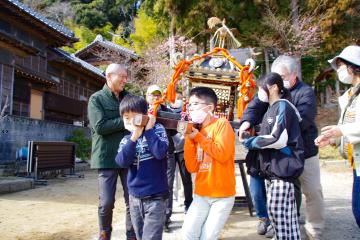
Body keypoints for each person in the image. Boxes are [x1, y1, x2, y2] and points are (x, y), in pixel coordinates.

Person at [239, 55, 325, 239]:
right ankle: (281, 224)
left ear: (294, 75)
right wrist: (246, 122)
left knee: (311, 190)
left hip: (304, 150)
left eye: (283, 76)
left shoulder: (304, 93)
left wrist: (262, 137)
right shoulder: (269, 92)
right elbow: (253, 108)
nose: (278, 81)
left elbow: (300, 120)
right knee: (284, 193)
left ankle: (314, 229)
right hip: (278, 154)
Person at [242, 72, 304, 240]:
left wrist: (252, 142)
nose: (259, 92)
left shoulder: (283, 106)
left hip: (283, 169)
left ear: (274, 87)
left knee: (279, 215)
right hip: (275, 170)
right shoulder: (272, 107)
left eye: (262, 88)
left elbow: (279, 138)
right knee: (282, 218)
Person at [88, 64, 136, 240]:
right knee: (106, 202)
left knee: (132, 199)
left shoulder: (129, 98)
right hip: (106, 157)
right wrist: (125, 121)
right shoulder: (96, 99)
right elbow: (99, 127)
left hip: (128, 155)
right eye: (121, 76)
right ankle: (104, 234)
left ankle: (132, 235)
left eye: (126, 76)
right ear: (109, 76)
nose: (125, 80)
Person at [315, 45, 360, 228]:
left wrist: (341, 131)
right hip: (356, 162)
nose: (339, 70)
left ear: (353, 66)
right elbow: (348, 126)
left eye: (341, 65)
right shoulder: (351, 94)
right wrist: (333, 139)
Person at [181, 87, 236, 240]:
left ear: (210, 107)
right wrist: (188, 139)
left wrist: (199, 138)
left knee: (208, 236)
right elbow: (192, 167)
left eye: (196, 104)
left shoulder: (222, 124)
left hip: (222, 195)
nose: (191, 108)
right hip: (201, 193)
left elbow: (223, 154)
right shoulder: (196, 130)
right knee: (187, 233)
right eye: (190, 104)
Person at [115, 95, 169, 240]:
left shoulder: (157, 130)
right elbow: (121, 162)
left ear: (145, 115)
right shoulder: (126, 139)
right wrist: (134, 136)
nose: (131, 121)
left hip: (156, 197)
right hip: (134, 198)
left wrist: (148, 130)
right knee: (140, 236)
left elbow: (160, 153)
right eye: (126, 118)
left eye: (135, 117)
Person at [145, 85, 177, 231]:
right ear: (147, 96)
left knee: (167, 185)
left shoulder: (167, 111)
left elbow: (175, 131)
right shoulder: (141, 110)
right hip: (145, 153)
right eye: (152, 95)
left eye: (158, 95)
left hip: (166, 152)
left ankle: (165, 218)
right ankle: (147, 215)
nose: (155, 97)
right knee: (148, 183)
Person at [167, 91, 193, 213]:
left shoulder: (186, 114)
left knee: (186, 178)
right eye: (175, 97)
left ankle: (188, 203)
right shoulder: (164, 111)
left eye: (180, 98)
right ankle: (168, 209)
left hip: (183, 149)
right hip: (170, 150)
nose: (178, 100)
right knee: (169, 180)